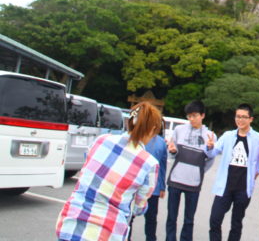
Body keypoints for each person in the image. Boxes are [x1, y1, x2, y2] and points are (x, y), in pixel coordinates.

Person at [56, 102, 162, 241]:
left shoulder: (101, 140)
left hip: (71, 223)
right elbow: (139, 207)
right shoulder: (149, 163)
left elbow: (87, 169)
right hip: (107, 232)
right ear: (152, 128)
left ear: (129, 121)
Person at [205, 103, 259, 241]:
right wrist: (209, 147)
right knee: (215, 219)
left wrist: (258, 169)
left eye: (244, 117)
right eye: (238, 116)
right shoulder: (228, 136)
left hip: (243, 188)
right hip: (225, 186)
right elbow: (213, 152)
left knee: (236, 223)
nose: (240, 120)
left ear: (251, 119)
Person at [165, 100, 216, 241]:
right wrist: (172, 151)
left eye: (195, 115)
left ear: (202, 115)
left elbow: (211, 159)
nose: (191, 119)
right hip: (175, 180)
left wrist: (199, 170)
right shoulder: (179, 130)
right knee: (171, 216)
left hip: (194, 183)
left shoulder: (209, 136)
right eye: (189, 116)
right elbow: (171, 153)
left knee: (189, 219)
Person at [128, 121, 168, 241]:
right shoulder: (136, 137)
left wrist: (162, 187)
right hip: (134, 184)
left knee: (151, 219)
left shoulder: (161, 142)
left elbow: (162, 166)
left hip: (153, 187)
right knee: (129, 217)